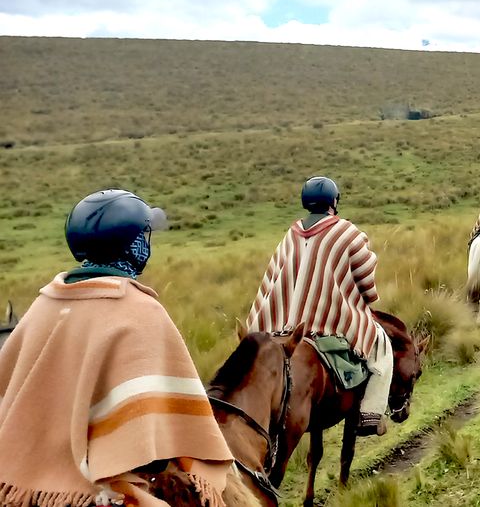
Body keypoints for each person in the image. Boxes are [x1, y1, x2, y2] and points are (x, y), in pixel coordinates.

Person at [0, 189, 233, 507]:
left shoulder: (45, 303)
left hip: (21, 479)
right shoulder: (139, 310)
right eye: (142, 237)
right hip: (98, 493)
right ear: (131, 245)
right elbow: (157, 440)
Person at [245, 176, 392, 437]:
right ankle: (370, 413)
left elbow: (272, 277)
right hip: (325, 324)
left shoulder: (290, 234)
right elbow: (366, 279)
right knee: (381, 343)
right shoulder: (347, 231)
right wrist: (366, 298)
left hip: (280, 324)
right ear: (333, 202)